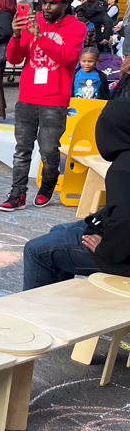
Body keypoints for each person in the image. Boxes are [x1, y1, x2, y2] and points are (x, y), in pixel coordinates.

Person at [23, 97, 130, 289]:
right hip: (122, 241)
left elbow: (126, 220)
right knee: (58, 232)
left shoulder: (123, 169)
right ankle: (59, 300)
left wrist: (105, 249)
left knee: (37, 250)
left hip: (123, 257)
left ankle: (33, 314)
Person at [0, 0, 88, 210]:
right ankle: (17, 194)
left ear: (67, 4)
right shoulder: (33, 20)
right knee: (22, 149)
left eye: (53, 3)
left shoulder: (76, 27)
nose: (47, 7)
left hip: (54, 99)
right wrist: (17, 36)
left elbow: (66, 57)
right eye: (45, 2)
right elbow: (14, 58)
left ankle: (48, 184)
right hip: (28, 96)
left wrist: (39, 36)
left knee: (49, 150)